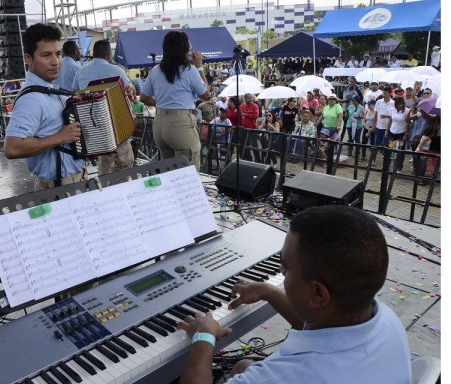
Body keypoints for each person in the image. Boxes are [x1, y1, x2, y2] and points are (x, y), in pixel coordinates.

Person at [177, 205, 411, 384]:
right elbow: (325, 326)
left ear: (318, 293)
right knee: (245, 365)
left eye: (286, 267)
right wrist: (270, 292)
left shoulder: (287, 376)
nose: (281, 271)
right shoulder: (383, 317)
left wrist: (204, 337)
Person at [4, 23, 85, 191]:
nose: (55, 62)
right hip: (61, 185)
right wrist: (60, 138)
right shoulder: (32, 99)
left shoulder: (52, 90)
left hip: (70, 180)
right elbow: (12, 148)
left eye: (58, 54)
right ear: (28, 58)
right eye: (46, 55)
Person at [140, 30, 210, 171]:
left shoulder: (155, 70)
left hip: (159, 125)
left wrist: (161, 104)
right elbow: (206, 95)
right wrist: (200, 67)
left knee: (170, 172)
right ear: (184, 49)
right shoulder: (189, 70)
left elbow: (144, 98)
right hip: (180, 124)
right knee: (188, 172)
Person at [73, 39, 136, 176]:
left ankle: (105, 184)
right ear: (109, 55)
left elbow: (74, 97)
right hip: (117, 127)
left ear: (94, 54)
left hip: (94, 132)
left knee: (104, 166)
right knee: (125, 163)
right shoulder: (116, 70)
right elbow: (131, 92)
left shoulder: (80, 73)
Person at [238, 93, 260, 162]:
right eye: (249, 98)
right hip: (244, 129)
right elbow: (239, 116)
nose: (251, 99)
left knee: (254, 145)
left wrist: (246, 114)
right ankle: (248, 159)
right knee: (245, 145)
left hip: (252, 129)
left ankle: (258, 160)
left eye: (251, 98)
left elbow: (256, 115)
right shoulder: (241, 106)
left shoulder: (255, 106)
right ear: (245, 99)